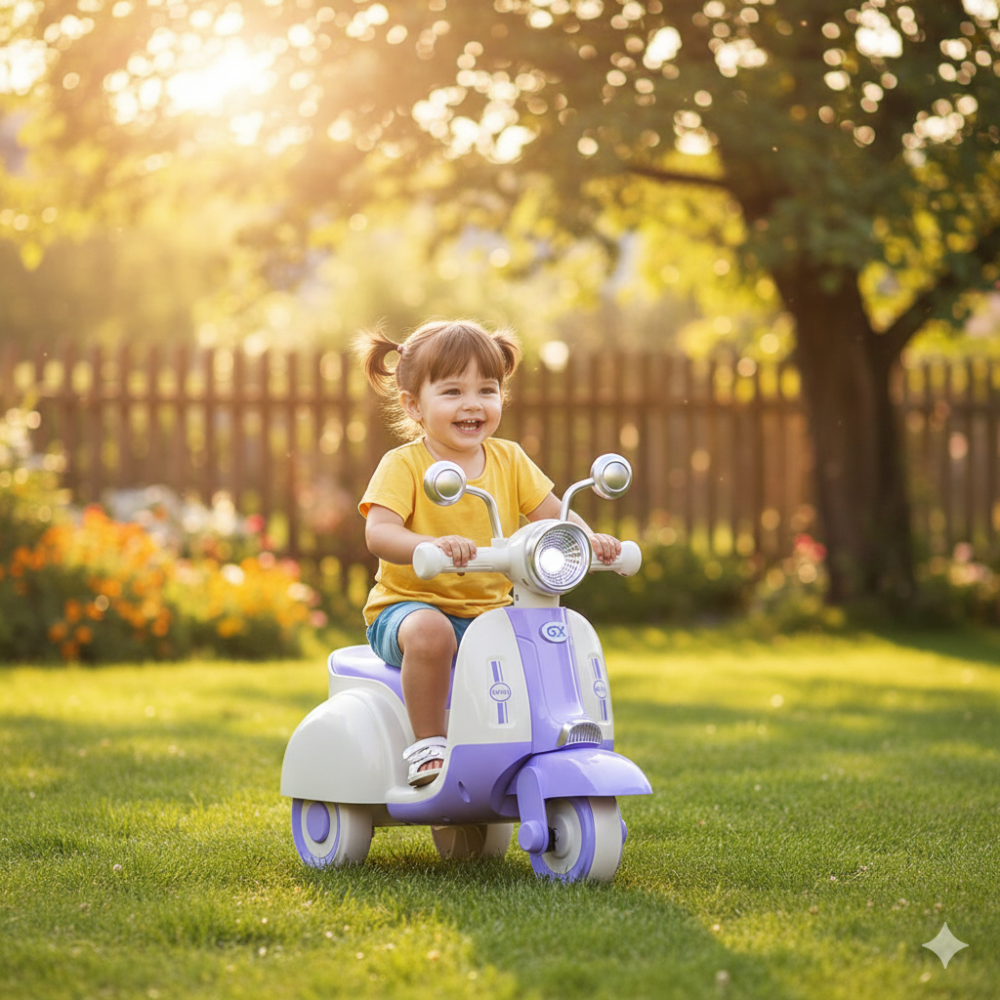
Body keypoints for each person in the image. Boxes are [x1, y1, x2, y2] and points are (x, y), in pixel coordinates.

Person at [356, 320, 622, 787]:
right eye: (453, 391)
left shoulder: (510, 458)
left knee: (546, 639)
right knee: (432, 632)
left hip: (491, 612)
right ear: (414, 405)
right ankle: (429, 746)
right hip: (407, 610)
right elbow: (379, 533)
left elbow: (552, 515)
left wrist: (590, 540)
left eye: (487, 389)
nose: (473, 404)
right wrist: (429, 545)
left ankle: (539, 742)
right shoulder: (404, 465)